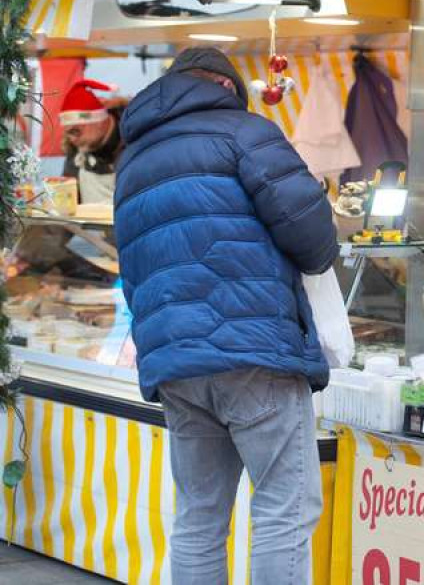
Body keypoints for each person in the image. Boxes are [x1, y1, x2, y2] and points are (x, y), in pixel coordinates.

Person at [114, 47, 338, 584]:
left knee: (199, 518)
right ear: (222, 84)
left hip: (175, 363)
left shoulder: (132, 162)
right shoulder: (245, 132)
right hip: (254, 350)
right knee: (284, 511)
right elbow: (313, 241)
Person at [59, 78, 126, 204]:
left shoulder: (134, 140)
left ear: (98, 121)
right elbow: (68, 200)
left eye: (76, 131)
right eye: (68, 133)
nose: (72, 139)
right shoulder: (75, 153)